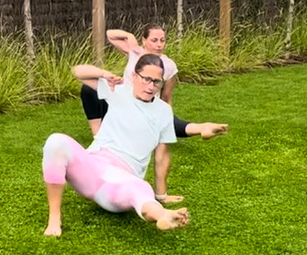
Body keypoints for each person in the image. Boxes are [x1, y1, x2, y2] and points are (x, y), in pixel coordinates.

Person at [43, 54, 189, 237]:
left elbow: (162, 155)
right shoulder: (118, 91)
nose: (151, 86)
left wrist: (161, 194)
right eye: (146, 79)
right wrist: (104, 74)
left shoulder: (164, 111)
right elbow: (78, 71)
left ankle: (164, 216)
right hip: (92, 166)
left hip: (121, 180)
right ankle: (54, 219)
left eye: (156, 82)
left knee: (140, 189)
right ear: (134, 76)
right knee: (56, 141)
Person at [79, 24, 228, 202]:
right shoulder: (135, 52)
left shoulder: (169, 65)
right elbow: (110, 34)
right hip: (121, 101)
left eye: (162, 40)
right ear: (144, 40)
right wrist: (130, 38)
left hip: (147, 107)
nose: (159, 44)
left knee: (165, 119)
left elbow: (166, 97)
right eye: (154, 40)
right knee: (88, 90)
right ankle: (98, 135)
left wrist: (165, 119)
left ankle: (202, 128)